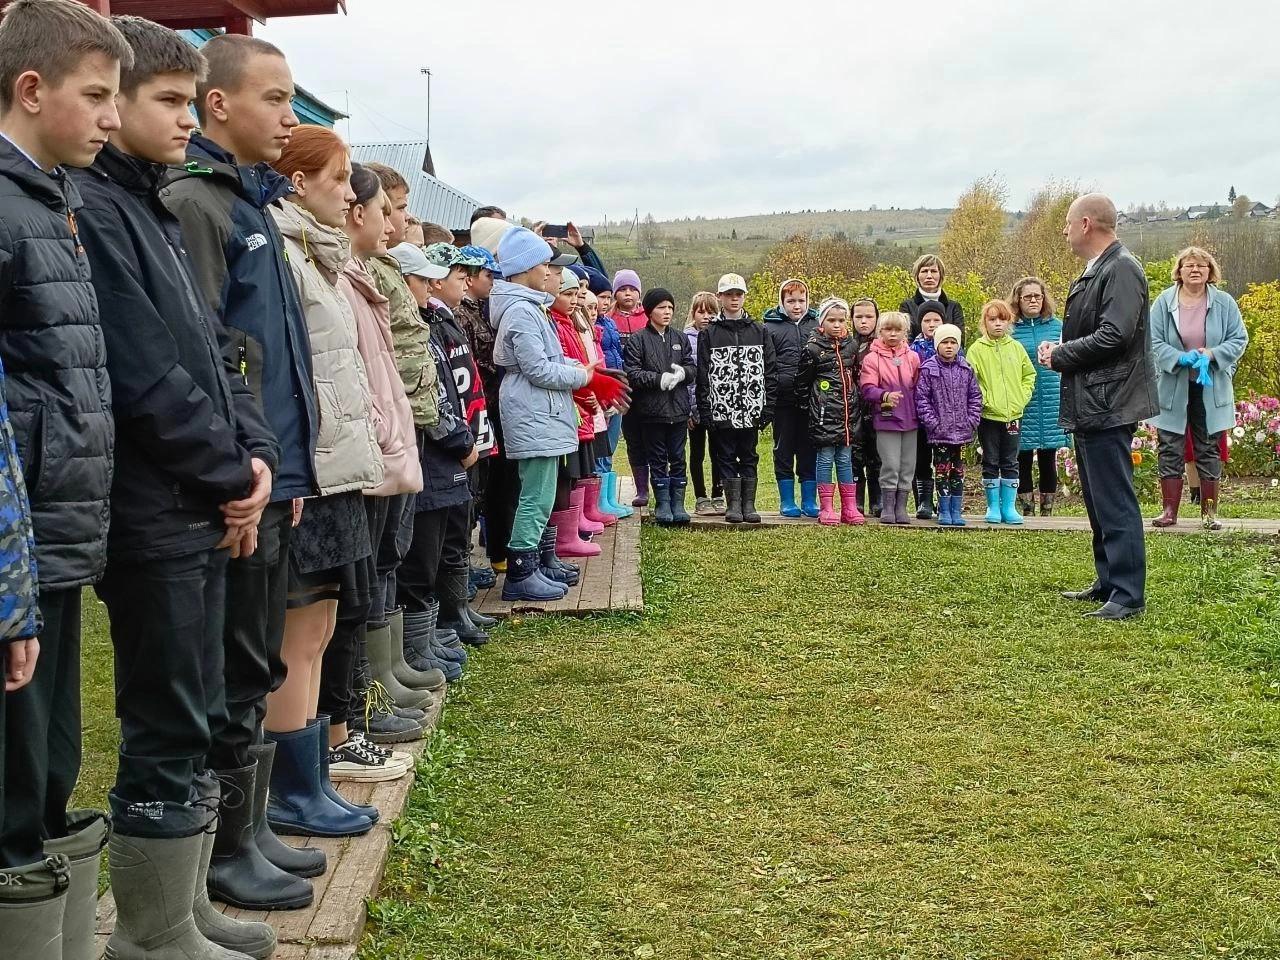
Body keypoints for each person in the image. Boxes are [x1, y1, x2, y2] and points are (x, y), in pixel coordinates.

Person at [69, 19, 291, 957]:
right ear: (112, 103)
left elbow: (216, 353)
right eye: (167, 101)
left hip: (201, 502)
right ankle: (152, 933)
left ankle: (185, 904)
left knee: (199, 704)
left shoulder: (156, 205)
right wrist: (226, 471)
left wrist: (249, 456)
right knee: (163, 714)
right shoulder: (97, 210)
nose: (185, 122)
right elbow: (141, 374)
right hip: (151, 511)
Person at [162, 30, 330, 896]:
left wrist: (292, 475)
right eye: (275, 97)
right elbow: (202, 352)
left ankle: (251, 830)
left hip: (276, 479)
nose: (290, 116)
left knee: (257, 659)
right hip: (235, 487)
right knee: (230, 670)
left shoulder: (253, 201)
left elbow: (272, 357)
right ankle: (223, 855)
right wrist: (245, 474)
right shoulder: (200, 202)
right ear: (216, 104)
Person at [0, 0, 127, 948]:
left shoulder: (55, 197)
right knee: (15, 774)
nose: (112, 118)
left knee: (50, 760)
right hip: (22, 534)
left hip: (61, 525)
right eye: (97, 96)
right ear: (31, 88)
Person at [267, 125, 390, 838]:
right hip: (309, 468)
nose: (349, 194)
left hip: (337, 464)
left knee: (317, 626)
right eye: (339, 178)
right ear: (298, 180)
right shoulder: (285, 252)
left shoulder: (317, 254)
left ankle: (309, 778)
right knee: (298, 631)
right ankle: (290, 789)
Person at [335, 165, 432, 752]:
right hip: (374, 440)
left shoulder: (374, 269)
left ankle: (384, 676)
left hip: (400, 428)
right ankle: (364, 699)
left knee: (387, 561)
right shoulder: (350, 272)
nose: (397, 224)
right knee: (364, 574)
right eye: (390, 210)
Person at [489, 227, 626, 599]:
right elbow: (539, 369)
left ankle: (536, 563)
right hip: (532, 411)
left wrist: (586, 371)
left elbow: (550, 359)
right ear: (528, 268)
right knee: (535, 496)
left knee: (543, 493)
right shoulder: (520, 312)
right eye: (547, 265)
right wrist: (584, 375)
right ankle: (520, 573)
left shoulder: (532, 308)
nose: (551, 273)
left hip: (543, 412)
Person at [1041, 193, 1156, 620]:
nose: (1064, 230)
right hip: (1092, 401)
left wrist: (1062, 355)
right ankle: (1108, 581)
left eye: (1068, 222)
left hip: (1110, 401)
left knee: (1115, 498)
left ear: (1086, 223)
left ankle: (1127, 594)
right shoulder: (1098, 269)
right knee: (1097, 498)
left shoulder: (1121, 268)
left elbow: (1115, 335)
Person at [1148, 247, 1248, 530]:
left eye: (1201, 266)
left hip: (1210, 385)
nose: (1195, 270)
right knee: (1169, 447)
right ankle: (1169, 511)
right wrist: (1178, 358)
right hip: (1172, 385)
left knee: (1208, 448)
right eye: (1189, 265)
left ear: (1210, 271)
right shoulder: (1164, 302)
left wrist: (1212, 355)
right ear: (1179, 271)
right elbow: (1152, 342)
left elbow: (1239, 339)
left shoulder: (1225, 303)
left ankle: (1209, 513)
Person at [696, 273, 777, 524]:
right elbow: (702, 375)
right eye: (729, 295)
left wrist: (768, 406)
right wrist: (706, 410)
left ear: (744, 297)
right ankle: (732, 505)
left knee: (749, 454)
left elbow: (770, 370)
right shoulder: (710, 334)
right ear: (720, 297)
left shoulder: (759, 331)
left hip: (752, 408)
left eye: (738, 295)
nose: (734, 299)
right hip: (723, 409)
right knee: (725, 455)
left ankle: (748, 504)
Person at [624, 289, 695, 526]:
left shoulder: (679, 338)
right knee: (657, 457)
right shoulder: (638, 340)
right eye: (661, 307)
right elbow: (632, 373)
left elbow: (692, 368)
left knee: (678, 456)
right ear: (649, 310)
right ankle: (662, 503)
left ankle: (678, 503)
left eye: (670, 308)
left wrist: (683, 373)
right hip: (651, 412)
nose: (667, 312)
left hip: (678, 410)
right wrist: (658, 379)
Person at [794, 298, 864, 526]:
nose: (837, 324)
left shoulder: (851, 346)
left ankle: (849, 507)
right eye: (831, 320)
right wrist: (810, 410)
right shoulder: (812, 349)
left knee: (845, 459)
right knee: (825, 459)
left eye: (841, 320)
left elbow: (855, 377)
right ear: (821, 322)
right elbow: (802, 383)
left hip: (847, 415)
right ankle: (826, 507)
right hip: (823, 415)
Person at [968, 300, 1037, 525]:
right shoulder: (977, 349)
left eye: (1002, 319)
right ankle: (993, 506)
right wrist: (985, 400)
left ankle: (1009, 507)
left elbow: (1029, 375)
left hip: (1013, 416)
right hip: (988, 416)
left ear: (1009, 322)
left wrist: (1021, 398)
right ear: (984, 322)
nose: (998, 324)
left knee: (1010, 460)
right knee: (990, 459)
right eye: (992, 319)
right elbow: (971, 380)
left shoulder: (1016, 348)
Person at [1009, 277, 1068, 516]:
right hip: (1024, 398)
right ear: (1018, 301)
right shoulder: (1011, 329)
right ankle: (1026, 509)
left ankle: (1047, 510)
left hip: (1052, 396)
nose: (1033, 300)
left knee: (1048, 453)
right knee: (1022, 452)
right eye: (1027, 297)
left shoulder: (1057, 326)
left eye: (1038, 296)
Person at [916, 324, 982, 526]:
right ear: (937, 344)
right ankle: (943, 510)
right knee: (942, 470)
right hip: (940, 433)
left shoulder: (966, 368)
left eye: (953, 342)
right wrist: (933, 423)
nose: (949, 346)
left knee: (958, 471)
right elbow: (922, 399)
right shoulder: (929, 369)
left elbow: (975, 397)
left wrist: (972, 420)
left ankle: (956, 510)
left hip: (962, 432)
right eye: (945, 342)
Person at [763, 278, 819, 518]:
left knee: (809, 450)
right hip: (783, 401)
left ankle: (809, 500)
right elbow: (767, 365)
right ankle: (787, 500)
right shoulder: (769, 327)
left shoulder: (817, 325)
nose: (797, 306)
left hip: (811, 401)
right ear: (781, 302)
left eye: (801, 300)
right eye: (791, 301)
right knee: (783, 449)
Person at [859, 312, 921, 525]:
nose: (893, 334)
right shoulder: (872, 358)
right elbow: (867, 388)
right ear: (880, 331)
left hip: (911, 419)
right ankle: (887, 506)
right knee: (890, 464)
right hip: (886, 418)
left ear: (905, 332)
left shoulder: (912, 357)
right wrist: (884, 395)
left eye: (897, 330)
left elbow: (918, 386)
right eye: (888, 329)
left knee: (907, 465)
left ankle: (901, 507)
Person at [611, 269, 650, 507]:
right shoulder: (609, 319)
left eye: (632, 289)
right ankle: (641, 489)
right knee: (633, 439)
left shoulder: (647, 318)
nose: (627, 294)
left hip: (646, 388)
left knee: (652, 439)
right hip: (621, 390)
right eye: (622, 289)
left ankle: (660, 487)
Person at [684, 292, 723, 516]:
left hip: (717, 408)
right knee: (697, 453)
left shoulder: (721, 336)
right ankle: (700, 496)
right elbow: (687, 380)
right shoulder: (685, 339)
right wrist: (689, 409)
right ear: (694, 313)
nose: (706, 317)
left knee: (718, 452)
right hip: (695, 407)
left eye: (711, 312)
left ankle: (719, 494)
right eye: (702, 312)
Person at [909, 300, 945, 519]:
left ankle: (945, 499)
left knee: (944, 459)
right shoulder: (913, 350)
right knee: (921, 459)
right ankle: (923, 501)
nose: (931, 324)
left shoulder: (952, 347)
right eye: (927, 320)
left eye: (936, 320)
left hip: (945, 415)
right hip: (920, 413)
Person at [850, 298, 882, 517]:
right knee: (855, 454)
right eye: (859, 317)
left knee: (877, 455)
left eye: (869, 317)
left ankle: (877, 500)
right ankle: (856, 500)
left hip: (878, 406)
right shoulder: (847, 344)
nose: (864, 321)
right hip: (852, 407)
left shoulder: (882, 345)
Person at [899, 254, 965, 339]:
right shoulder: (907, 306)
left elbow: (959, 340)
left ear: (941, 276)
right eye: (924, 271)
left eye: (933, 271)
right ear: (917, 276)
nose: (929, 276)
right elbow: (906, 339)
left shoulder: (954, 307)